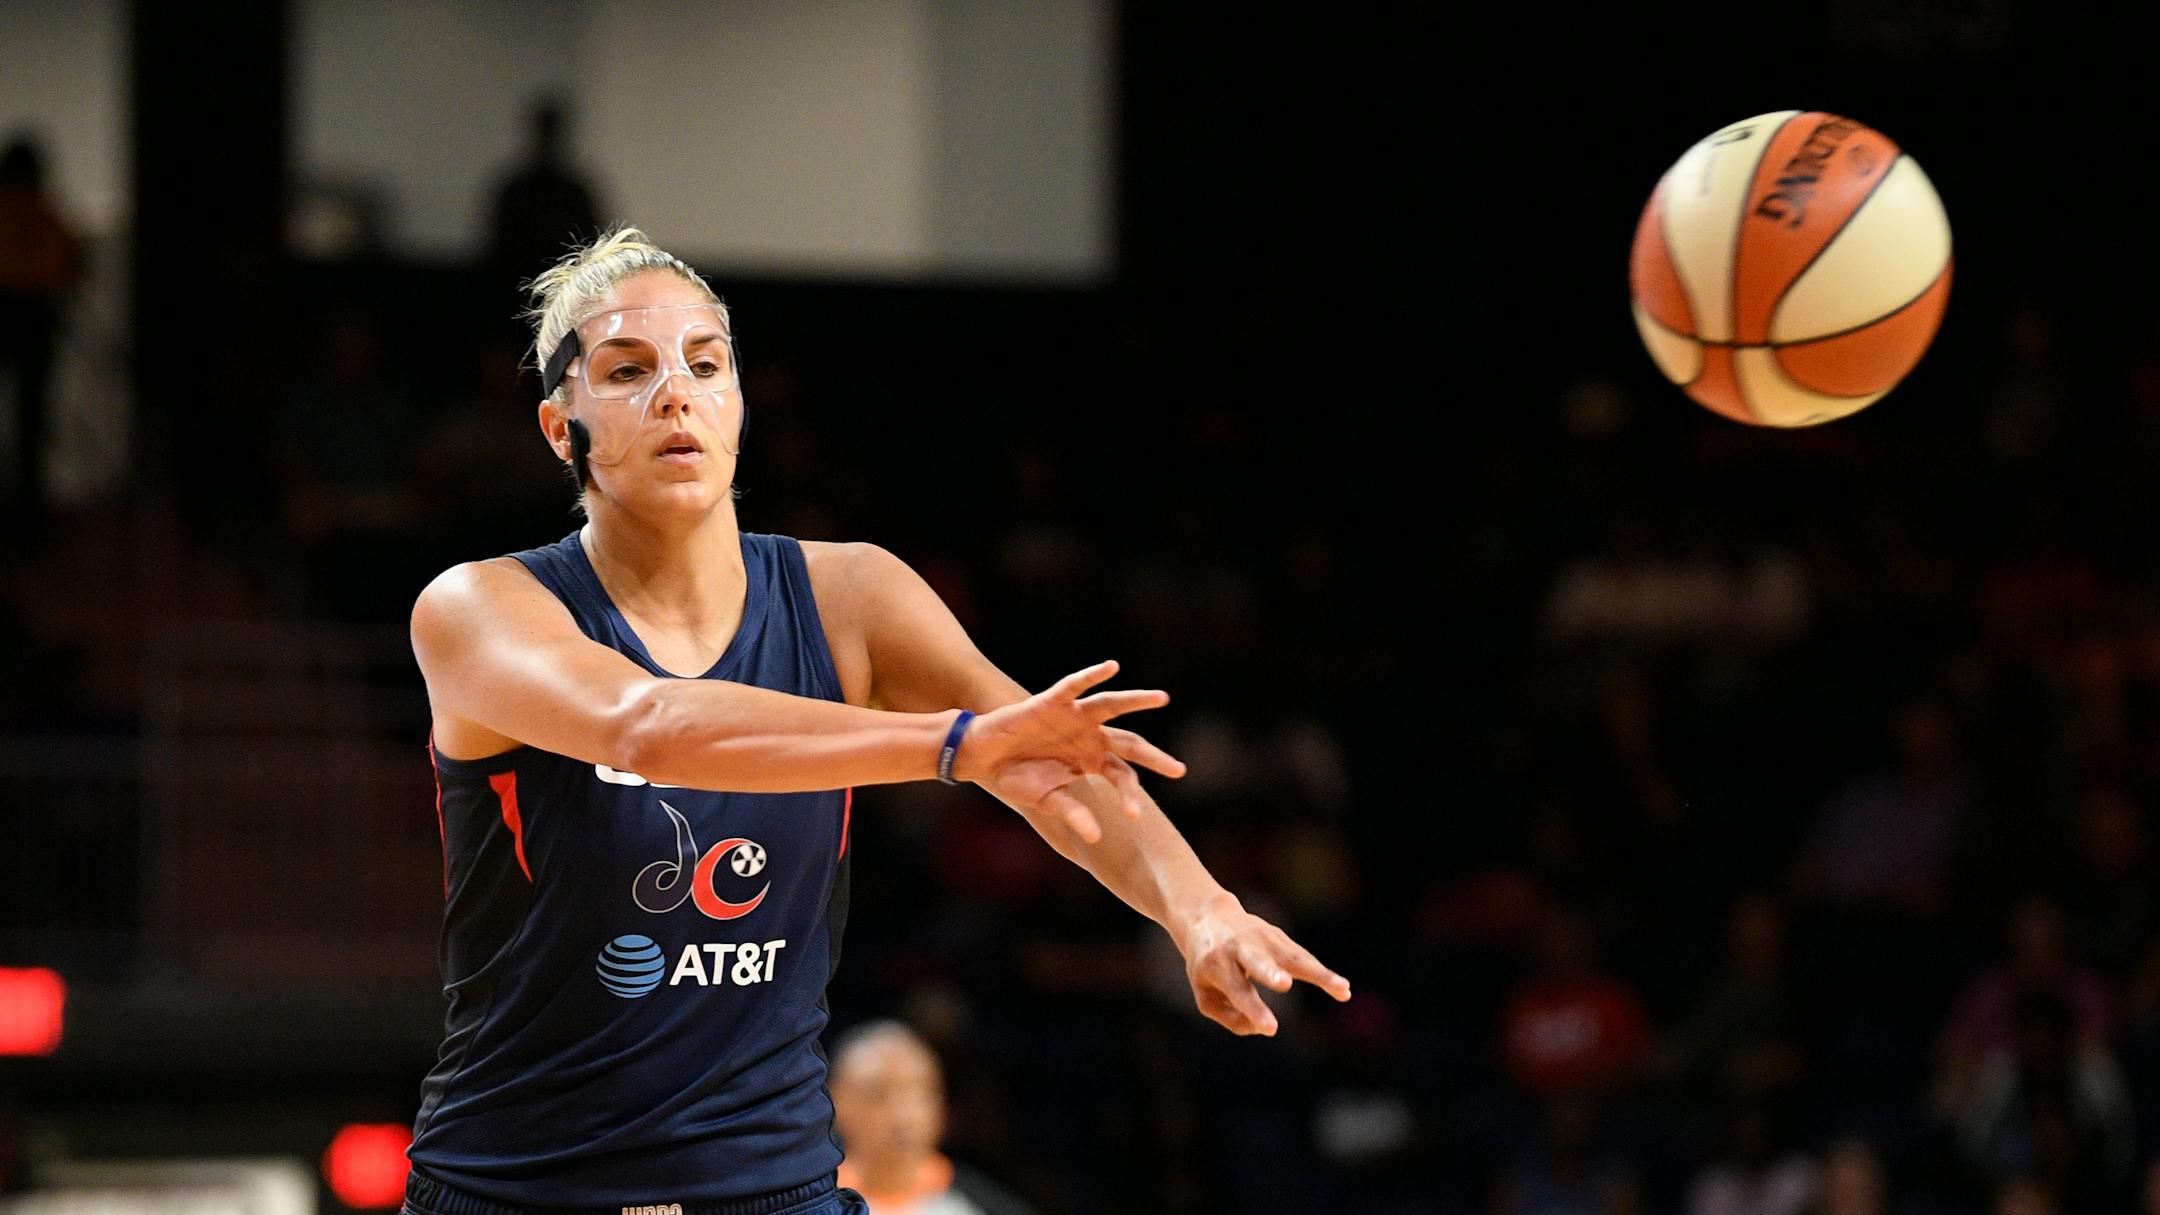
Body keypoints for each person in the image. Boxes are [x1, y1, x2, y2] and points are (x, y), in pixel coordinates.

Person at [400, 228, 1351, 1215]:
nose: (674, 392)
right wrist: (948, 747)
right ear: (562, 428)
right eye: (627, 370)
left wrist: (1196, 909)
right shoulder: (479, 609)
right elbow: (645, 724)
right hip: (518, 1191)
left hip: (774, 1188)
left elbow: (1048, 758)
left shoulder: (853, 596)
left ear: (740, 402)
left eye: (705, 364)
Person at [829, 1021, 1035, 1215]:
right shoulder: (812, 1200)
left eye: (920, 1095)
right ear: (837, 1101)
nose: (902, 1117)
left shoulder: (981, 1201)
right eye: (878, 1095)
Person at [0, 131, 82, 521]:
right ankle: (27, 512)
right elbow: (72, 270)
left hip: (22, 319)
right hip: (35, 321)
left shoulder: (42, 215)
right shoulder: (49, 215)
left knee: (28, 420)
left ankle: (25, 509)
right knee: (30, 422)